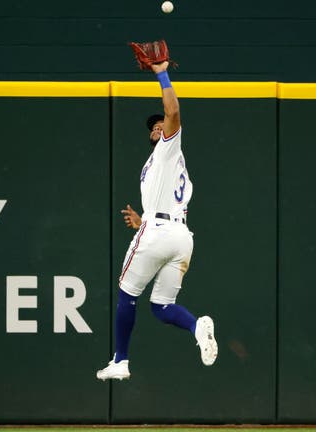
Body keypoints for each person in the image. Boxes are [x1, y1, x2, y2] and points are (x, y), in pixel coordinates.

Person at [96, 60, 218, 381]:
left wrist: (161, 72)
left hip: (160, 233)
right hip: (180, 238)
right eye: (152, 126)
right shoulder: (162, 161)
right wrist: (143, 221)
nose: (156, 127)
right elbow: (164, 203)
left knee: (127, 293)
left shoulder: (168, 146)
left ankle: (120, 360)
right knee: (161, 306)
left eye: (158, 123)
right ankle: (196, 326)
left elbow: (174, 112)